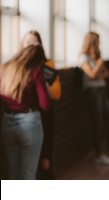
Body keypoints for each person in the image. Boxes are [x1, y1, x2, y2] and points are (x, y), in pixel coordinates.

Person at [0, 45, 51, 179]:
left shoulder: (5, 69)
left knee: (13, 172)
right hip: (29, 122)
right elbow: (45, 105)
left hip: (7, 121)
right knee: (27, 174)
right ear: (38, 61)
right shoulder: (35, 72)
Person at [78, 31, 109, 165]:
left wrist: (98, 71)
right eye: (98, 40)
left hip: (101, 90)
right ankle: (99, 155)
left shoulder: (97, 56)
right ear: (93, 42)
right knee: (97, 123)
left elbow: (107, 74)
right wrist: (99, 64)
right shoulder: (84, 58)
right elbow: (92, 75)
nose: (100, 43)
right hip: (92, 92)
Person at [21, 30, 62, 179]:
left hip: (44, 116)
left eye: (34, 43)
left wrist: (40, 79)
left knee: (45, 161)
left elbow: (56, 94)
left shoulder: (47, 65)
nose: (30, 46)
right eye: (27, 43)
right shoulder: (17, 66)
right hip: (25, 117)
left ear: (40, 45)